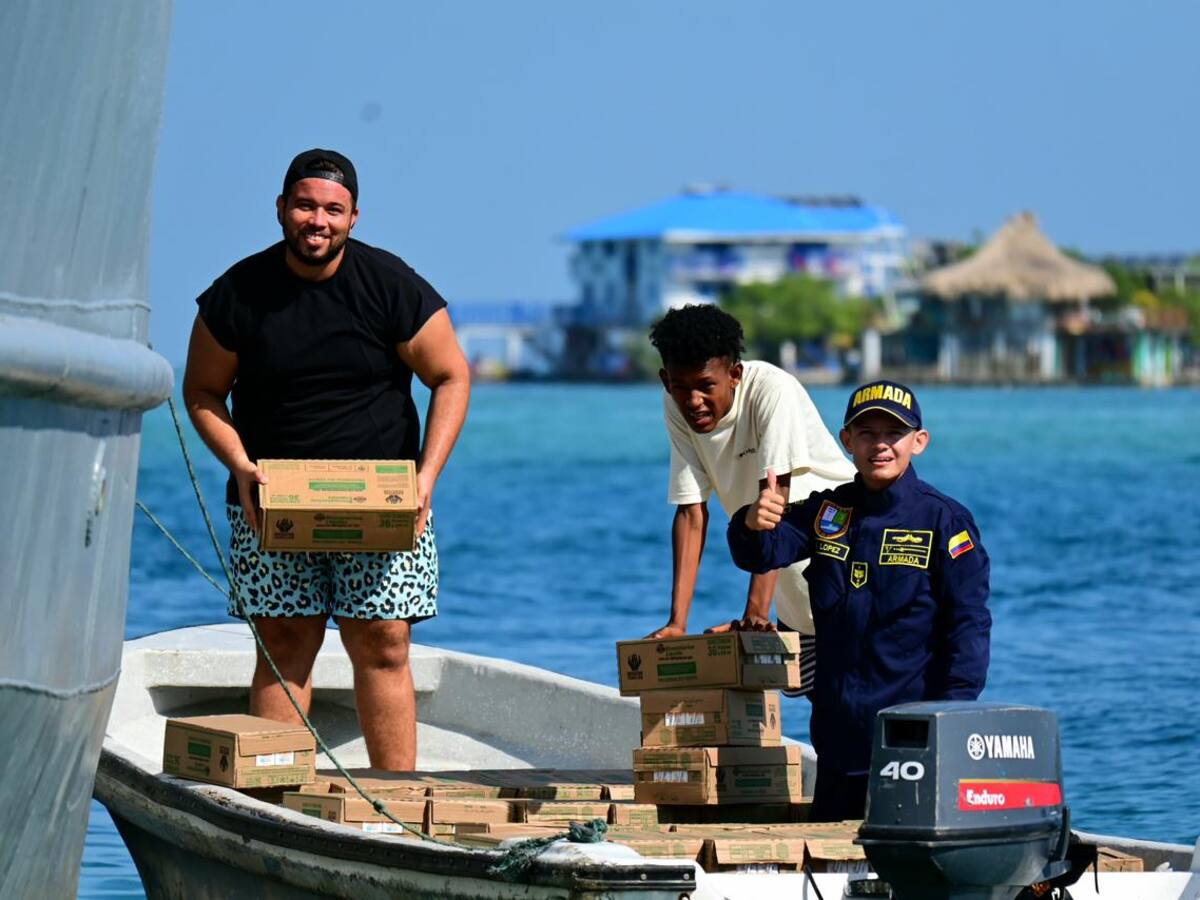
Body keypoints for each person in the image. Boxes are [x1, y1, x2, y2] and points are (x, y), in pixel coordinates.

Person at [182, 148, 470, 769]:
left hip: (383, 500)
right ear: (281, 208)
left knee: (383, 644)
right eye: (306, 206)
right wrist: (240, 465)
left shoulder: (391, 285)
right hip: (270, 499)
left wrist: (426, 478)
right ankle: (275, 796)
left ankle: (395, 797)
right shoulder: (238, 293)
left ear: (354, 217)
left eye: (334, 210)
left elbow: (451, 376)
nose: (319, 221)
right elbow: (202, 391)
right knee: (284, 645)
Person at [727, 380, 991, 821]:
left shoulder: (943, 522)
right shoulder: (828, 512)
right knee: (829, 855)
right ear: (847, 441)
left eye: (894, 433)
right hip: (836, 743)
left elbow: (969, 628)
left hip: (911, 745)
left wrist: (952, 719)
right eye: (867, 433)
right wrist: (752, 522)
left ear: (919, 442)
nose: (880, 445)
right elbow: (763, 553)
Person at [645, 304, 855, 694]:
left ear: (735, 375)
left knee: (866, 708)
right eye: (680, 386)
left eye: (705, 386)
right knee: (823, 714)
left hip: (848, 578)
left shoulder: (772, 390)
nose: (693, 401)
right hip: (794, 601)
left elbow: (775, 504)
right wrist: (677, 623)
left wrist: (755, 613)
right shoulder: (676, 406)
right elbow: (691, 512)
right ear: (665, 380)